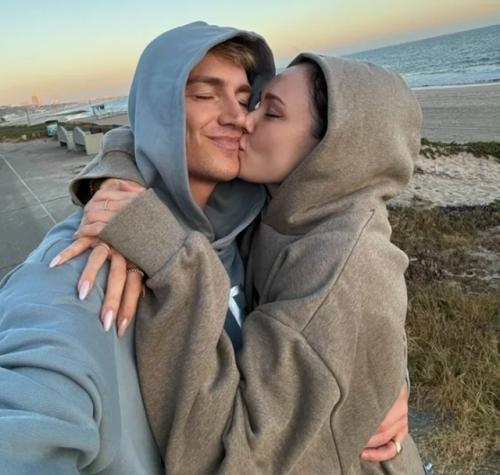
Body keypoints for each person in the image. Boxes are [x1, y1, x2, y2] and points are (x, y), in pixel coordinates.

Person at [57, 48, 424, 472]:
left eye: (272, 112)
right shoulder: (279, 207)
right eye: (256, 102)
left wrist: (170, 258)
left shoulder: (338, 269)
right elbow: (155, 133)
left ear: (330, 149)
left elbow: (234, 459)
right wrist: (116, 181)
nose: (245, 120)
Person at [0, 22, 275, 473]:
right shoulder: (87, 260)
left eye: (245, 99)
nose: (237, 117)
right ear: (158, 111)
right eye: (204, 95)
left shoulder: (253, 225)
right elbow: (31, 399)